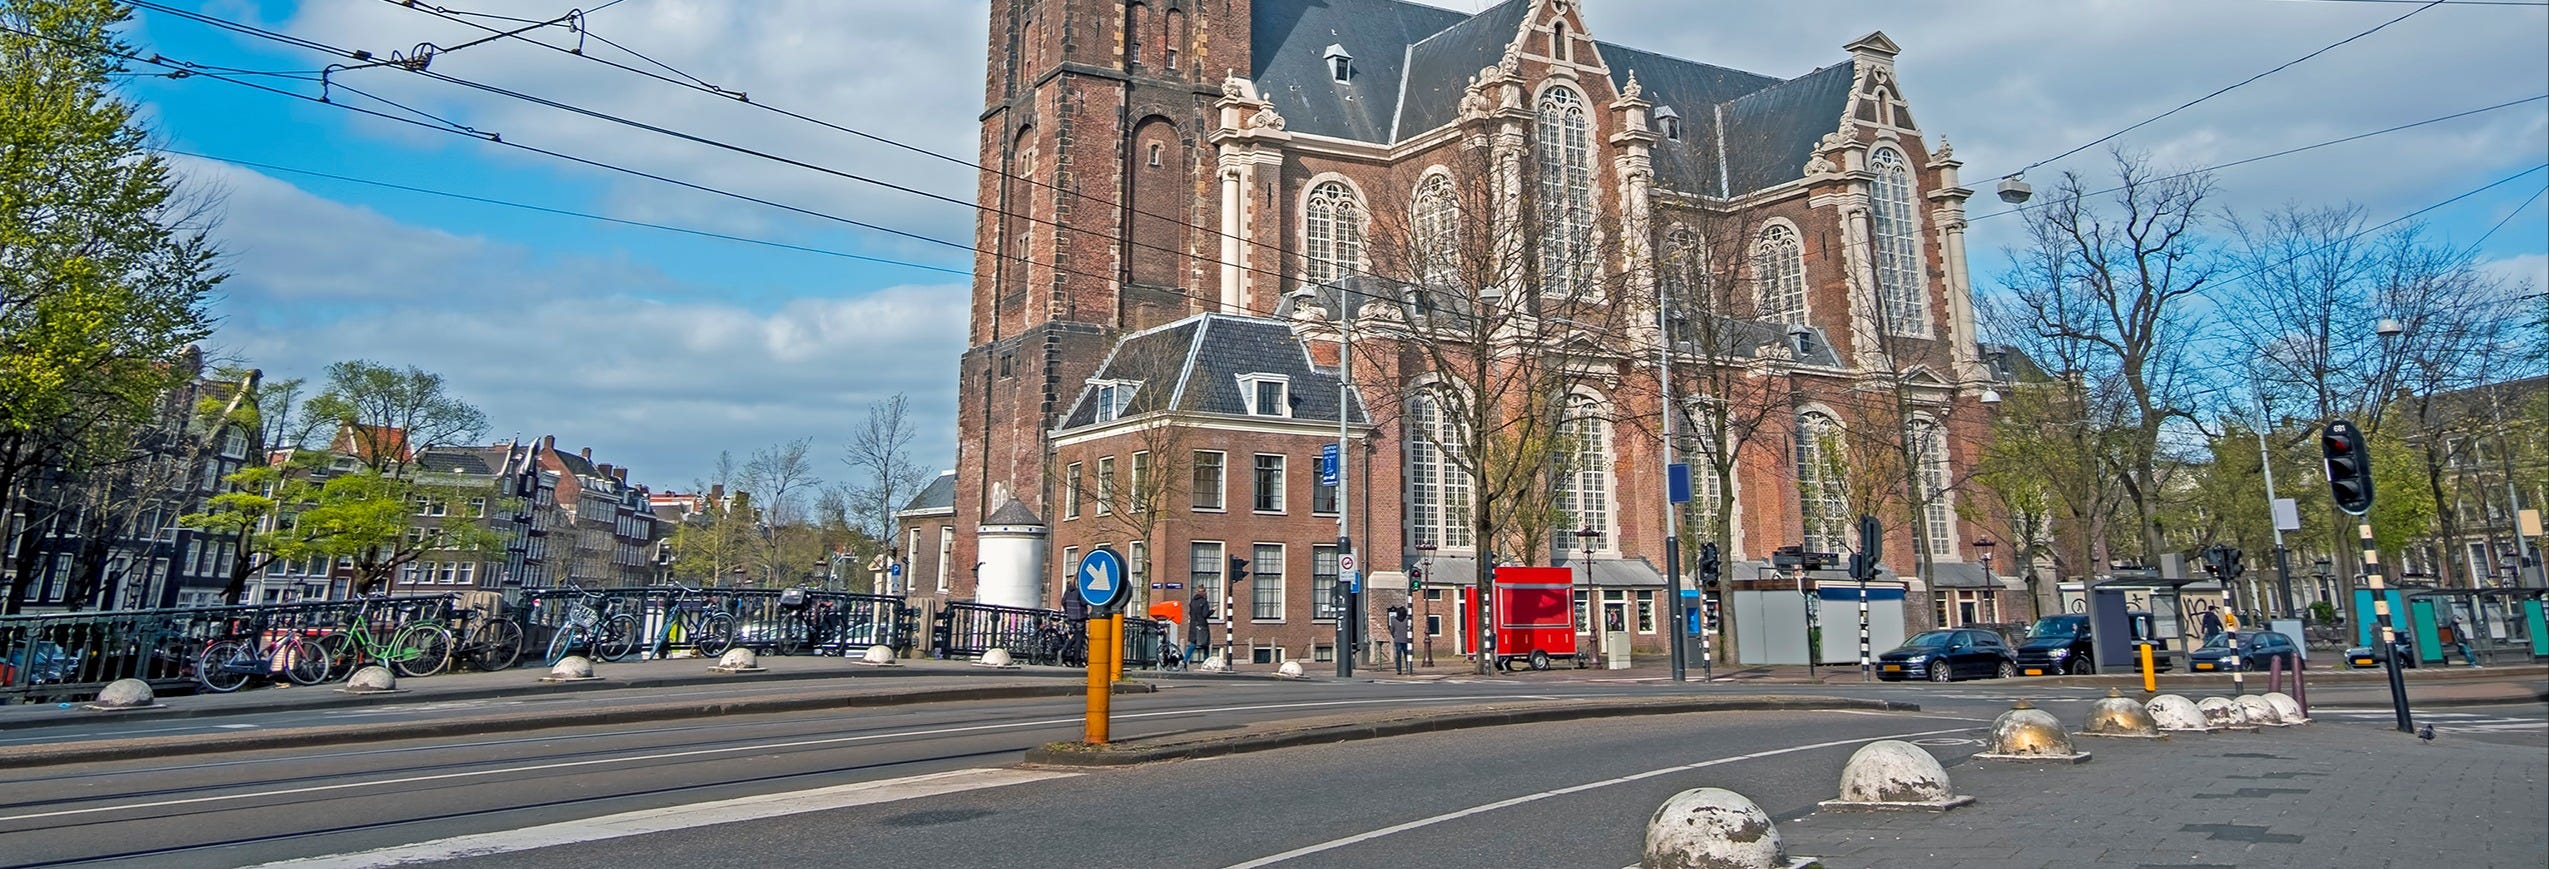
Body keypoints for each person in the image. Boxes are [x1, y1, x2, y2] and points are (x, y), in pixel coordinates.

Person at [1388, 607, 1413, 674]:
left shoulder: (1393, 620)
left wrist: (1394, 636)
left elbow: (1392, 629)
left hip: (1397, 639)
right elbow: (1410, 629)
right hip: (1406, 639)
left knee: (1398, 656)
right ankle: (1408, 668)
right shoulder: (1407, 620)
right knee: (1407, 655)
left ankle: (1399, 670)